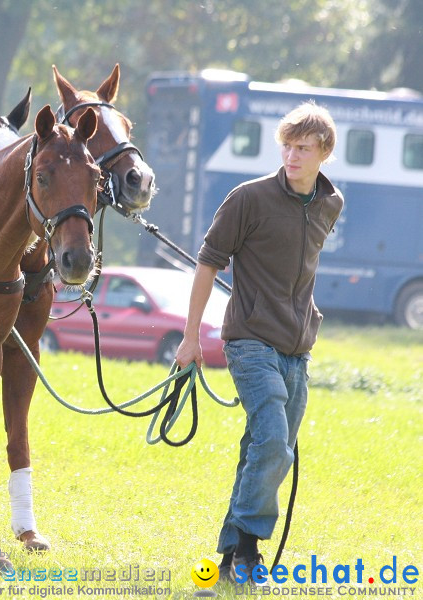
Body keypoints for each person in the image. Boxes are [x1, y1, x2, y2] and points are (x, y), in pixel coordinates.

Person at [175, 101, 344, 583]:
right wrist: (191, 338)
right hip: (249, 341)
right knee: (273, 442)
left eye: (303, 148)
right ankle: (249, 552)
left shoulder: (332, 204)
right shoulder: (247, 198)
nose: (292, 156)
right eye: (287, 146)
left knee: (262, 450)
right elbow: (207, 263)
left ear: (324, 153)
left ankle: (228, 560)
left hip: (298, 349)